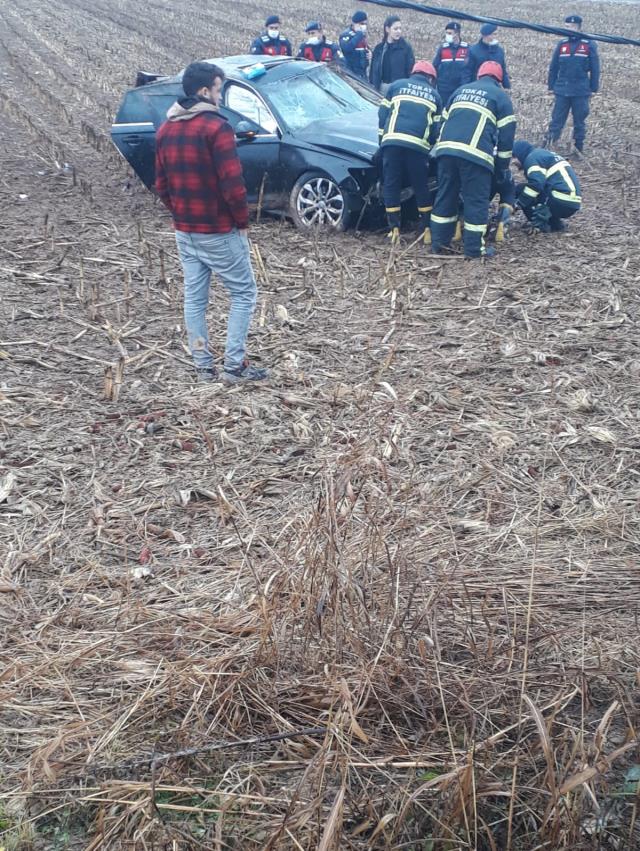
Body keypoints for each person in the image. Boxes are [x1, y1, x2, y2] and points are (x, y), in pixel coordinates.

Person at [155, 62, 267, 384]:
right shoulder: (217, 128)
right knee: (244, 293)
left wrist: (180, 213)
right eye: (219, 90)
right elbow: (233, 184)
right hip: (218, 229)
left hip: (184, 231)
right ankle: (234, 366)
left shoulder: (165, 130)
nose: (220, 96)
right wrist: (242, 222)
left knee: (194, 299)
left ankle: (203, 366)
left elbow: (161, 185)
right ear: (205, 91)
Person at [430, 60, 516, 259]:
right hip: (475, 156)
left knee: (445, 196)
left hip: (446, 151)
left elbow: (442, 122)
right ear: (499, 81)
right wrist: (502, 167)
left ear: (479, 75)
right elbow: (507, 136)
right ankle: (474, 250)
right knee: (475, 201)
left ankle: (438, 243)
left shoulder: (460, 91)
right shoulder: (500, 97)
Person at [378, 61, 443, 243]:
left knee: (391, 184)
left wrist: (382, 140)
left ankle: (394, 230)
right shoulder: (435, 96)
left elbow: (382, 115)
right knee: (420, 186)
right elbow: (436, 129)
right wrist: (427, 147)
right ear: (431, 78)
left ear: (413, 73)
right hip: (417, 147)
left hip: (392, 142)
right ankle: (426, 229)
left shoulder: (396, 86)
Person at [545, 15, 600, 155]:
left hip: (580, 91)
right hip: (562, 89)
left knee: (579, 122)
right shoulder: (562, 44)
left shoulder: (588, 44)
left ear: (577, 27)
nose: (566, 29)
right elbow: (554, 67)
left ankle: (578, 149)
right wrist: (551, 86)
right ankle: (548, 145)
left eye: (568, 27)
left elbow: (595, 68)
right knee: (556, 120)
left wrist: (594, 88)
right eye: (565, 26)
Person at [513, 140, 582, 232]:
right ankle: (555, 224)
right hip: (573, 202)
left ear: (521, 153)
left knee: (521, 189)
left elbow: (536, 185)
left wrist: (518, 204)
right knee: (542, 189)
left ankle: (539, 224)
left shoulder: (531, 159)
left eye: (514, 157)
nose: (513, 161)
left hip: (560, 200)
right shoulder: (542, 154)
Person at [370, 16, 415, 94]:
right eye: (395, 29)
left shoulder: (405, 48)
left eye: (400, 28)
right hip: (381, 89)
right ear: (387, 29)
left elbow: (410, 70)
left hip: (399, 89)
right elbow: (373, 71)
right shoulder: (379, 48)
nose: (398, 31)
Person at [463, 24, 511, 89]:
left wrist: (507, 87)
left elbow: (503, 71)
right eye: (494, 34)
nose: (496, 36)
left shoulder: (500, 51)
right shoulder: (473, 51)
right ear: (485, 35)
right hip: (477, 87)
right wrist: (465, 88)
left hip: (494, 88)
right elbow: (467, 72)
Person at [432, 21, 469, 106]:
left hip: (460, 88)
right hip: (444, 89)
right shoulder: (443, 48)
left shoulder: (466, 49)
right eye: (446, 33)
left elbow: (469, 69)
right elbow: (435, 67)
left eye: (449, 33)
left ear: (457, 34)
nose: (447, 35)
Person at [340, 11, 371, 79]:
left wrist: (369, 53)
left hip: (362, 71)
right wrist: (359, 34)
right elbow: (347, 48)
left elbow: (365, 47)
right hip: (350, 72)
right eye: (361, 23)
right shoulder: (346, 35)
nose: (363, 26)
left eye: (365, 24)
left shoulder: (363, 35)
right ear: (354, 23)